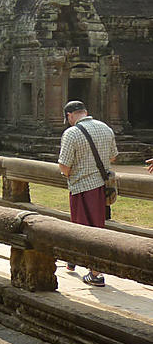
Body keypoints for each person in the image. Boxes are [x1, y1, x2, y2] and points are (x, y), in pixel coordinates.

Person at [58, 99, 118, 287]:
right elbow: (113, 156)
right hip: (102, 186)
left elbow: (64, 166)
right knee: (96, 226)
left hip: (81, 187)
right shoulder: (105, 128)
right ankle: (74, 258)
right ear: (85, 111)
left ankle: (96, 273)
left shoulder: (71, 133)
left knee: (86, 230)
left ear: (70, 116)